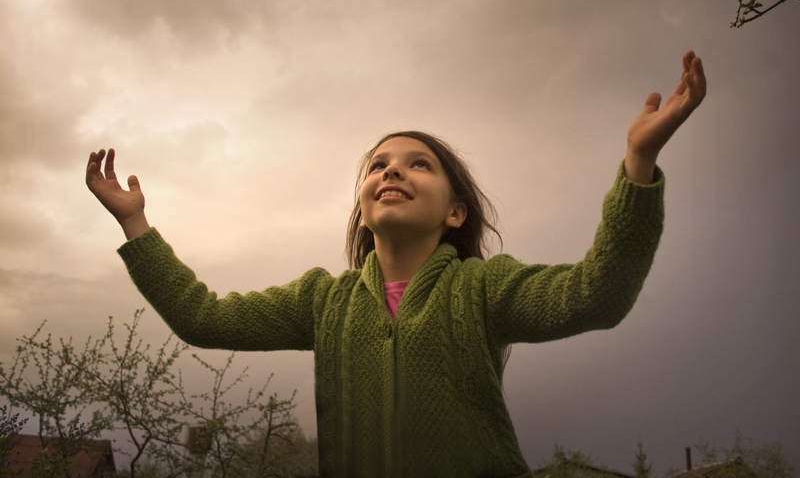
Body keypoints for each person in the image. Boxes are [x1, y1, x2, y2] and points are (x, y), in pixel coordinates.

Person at [86, 51, 706, 478]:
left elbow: (599, 293)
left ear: (456, 213)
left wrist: (638, 163)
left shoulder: (483, 289)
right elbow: (203, 319)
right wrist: (135, 224)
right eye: (379, 164)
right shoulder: (322, 301)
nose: (391, 170)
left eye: (418, 163)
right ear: (362, 209)